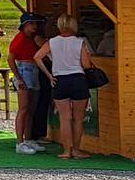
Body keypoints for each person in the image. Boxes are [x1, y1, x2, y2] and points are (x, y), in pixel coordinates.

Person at [35, 14, 95, 160]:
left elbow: (37, 57)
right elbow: (86, 65)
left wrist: (49, 75)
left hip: (59, 80)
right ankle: (76, 150)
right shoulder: (79, 42)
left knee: (65, 118)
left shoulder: (52, 42)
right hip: (78, 80)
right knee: (78, 118)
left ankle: (66, 151)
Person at [9, 16, 46, 147]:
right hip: (24, 69)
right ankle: (19, 141)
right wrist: (18, 78)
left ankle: (28, 139)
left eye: (35, 23)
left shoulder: (34, 38)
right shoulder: (20, 38)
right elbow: (10, 58)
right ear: (24, 25)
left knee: (31, 108)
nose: (34, 26)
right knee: (23, 108)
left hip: (34, 69)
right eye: (31, 23)